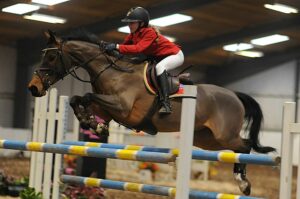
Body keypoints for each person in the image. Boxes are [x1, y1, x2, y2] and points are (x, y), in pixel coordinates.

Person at [103, 6, 184, 114]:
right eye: (129, 23)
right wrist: (108, 48)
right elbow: (123, 48)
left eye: (132, 23)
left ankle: (166, 103)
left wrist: (116, 46)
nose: (129, 25)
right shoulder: (133, 34)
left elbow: (137, 49)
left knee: (160, 68)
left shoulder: (150, 32)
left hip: (174, 55)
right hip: (156, 57)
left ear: (141, 23)